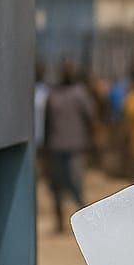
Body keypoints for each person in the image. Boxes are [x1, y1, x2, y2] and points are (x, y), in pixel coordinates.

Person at [42, 59, 97, 232]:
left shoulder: (80, 93)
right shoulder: (53, 94)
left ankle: (85, 223)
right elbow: (47, 121)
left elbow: (91, 118)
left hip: (75, 147)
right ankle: (59, 223)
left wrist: (92, 142)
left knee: (75, 185)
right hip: (56, 146)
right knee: (56, 187)